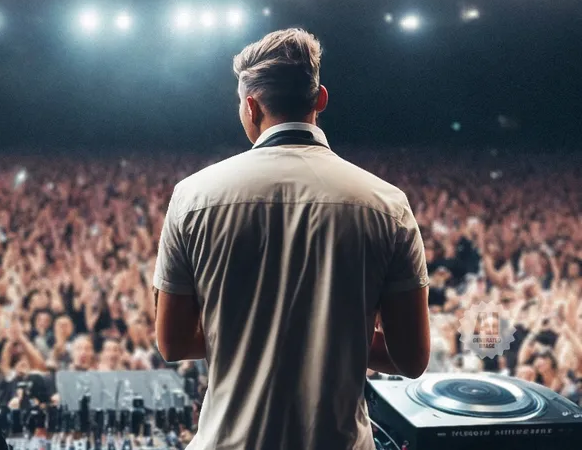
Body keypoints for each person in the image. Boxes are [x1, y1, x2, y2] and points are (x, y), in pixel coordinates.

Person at [152, 28, 431, 450]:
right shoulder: (386, 204)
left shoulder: (193, 196)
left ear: (250, 107)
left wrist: (251, 329)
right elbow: (411, 359)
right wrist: (336, 332)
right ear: (320, 99)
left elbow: (172, 342)